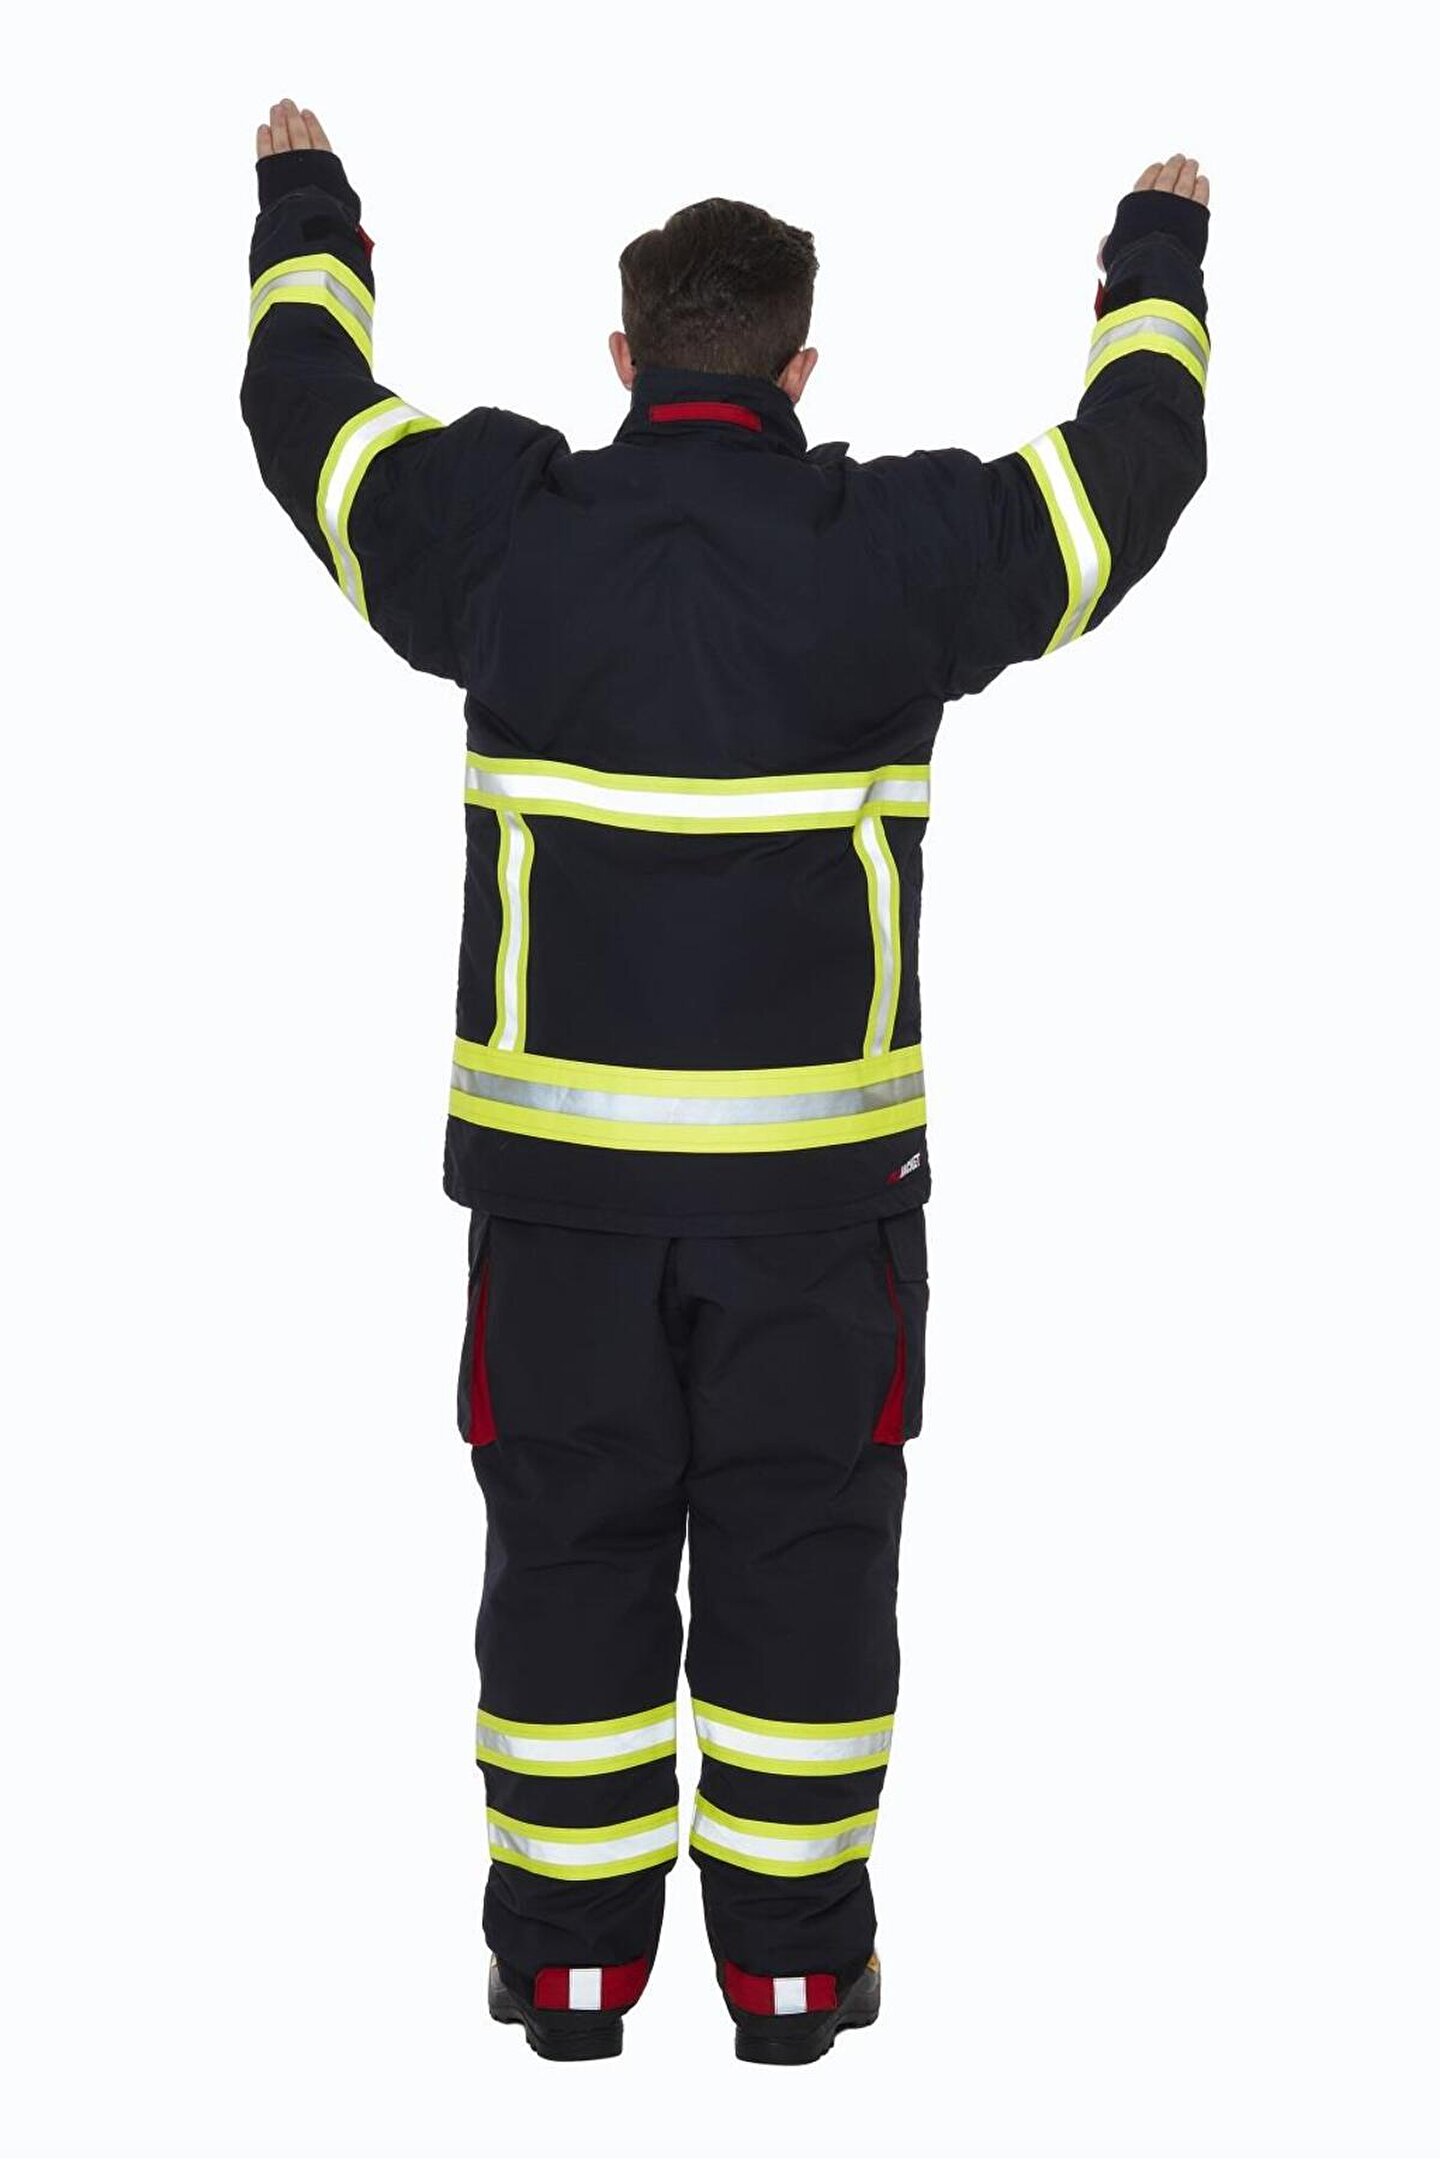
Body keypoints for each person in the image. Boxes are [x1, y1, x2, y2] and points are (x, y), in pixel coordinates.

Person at [242, 99, 1211, 2065]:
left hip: (561, 1220)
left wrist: (305, 216)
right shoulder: (901, 554)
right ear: (799, 366)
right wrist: (1156, 264)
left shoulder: (502, 534)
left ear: (623, 357)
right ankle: (787, 1979)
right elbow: (1131, 476)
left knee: (567, 1564)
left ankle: (569, 1977)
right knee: (806, 1573)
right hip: (816, 1227)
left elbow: (307, 424)